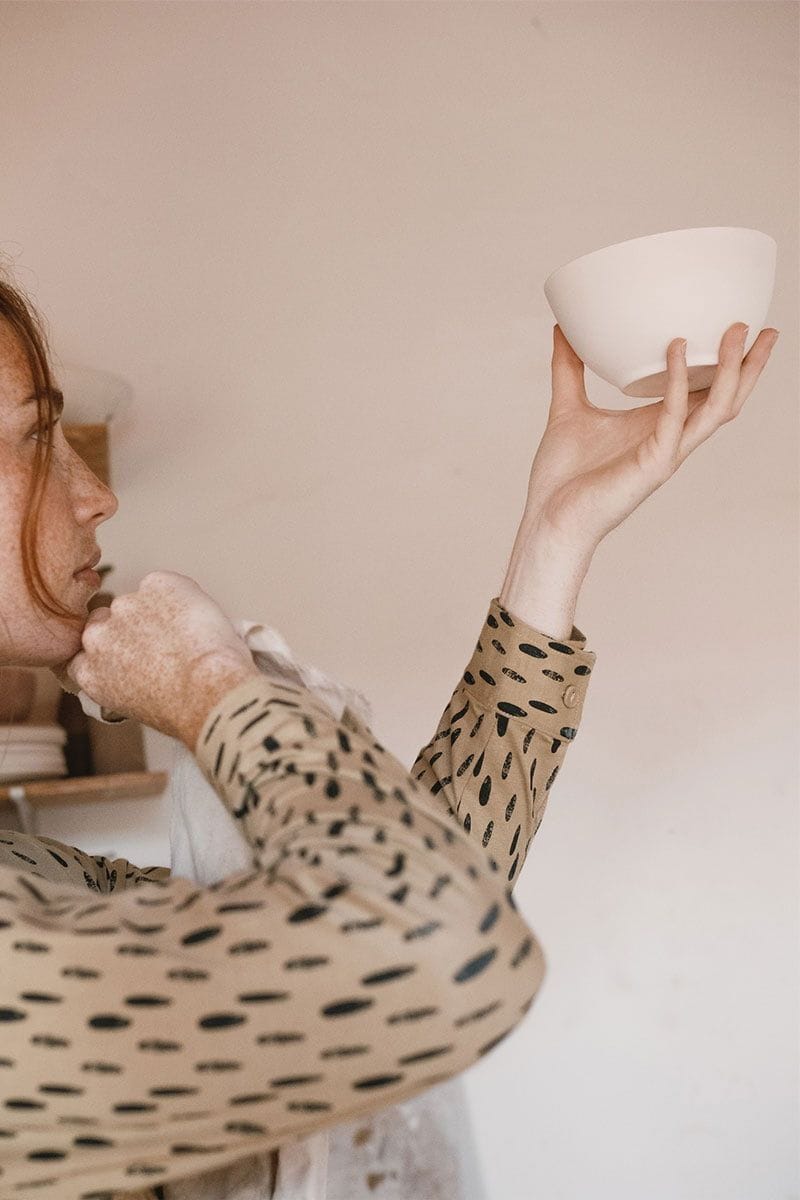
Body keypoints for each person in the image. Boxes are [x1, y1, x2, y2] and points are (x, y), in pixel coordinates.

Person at [0, 270, 778, 1200]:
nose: (95, 496)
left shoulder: (30, 878)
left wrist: (553, 537)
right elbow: (434, 950)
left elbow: (390, 922)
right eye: (39, 435)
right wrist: (213, 692)